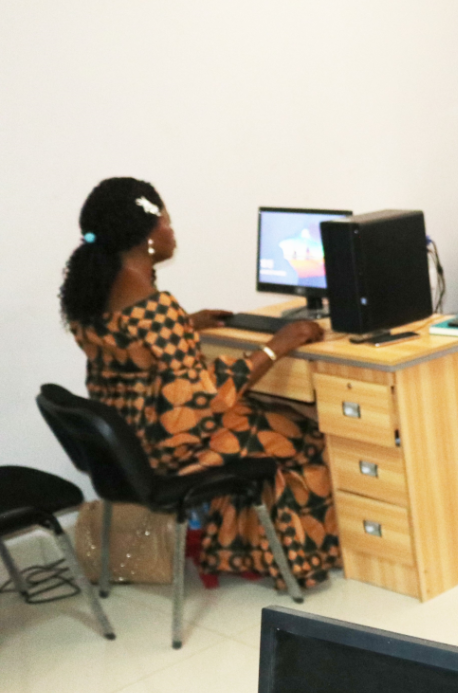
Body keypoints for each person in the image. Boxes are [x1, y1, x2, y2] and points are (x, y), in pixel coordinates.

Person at [60, 177, 340, 588]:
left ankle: (240, 548)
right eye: (166, 223)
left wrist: (188, 325)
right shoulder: (155, 309)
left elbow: (133, 350)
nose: (171, 232)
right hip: (172, 445)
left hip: (133, 439)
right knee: (305, 433)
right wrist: (278, 345)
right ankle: (300, 559)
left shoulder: (93, 296)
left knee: (269, 412)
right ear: (146, 237)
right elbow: (203, 400)